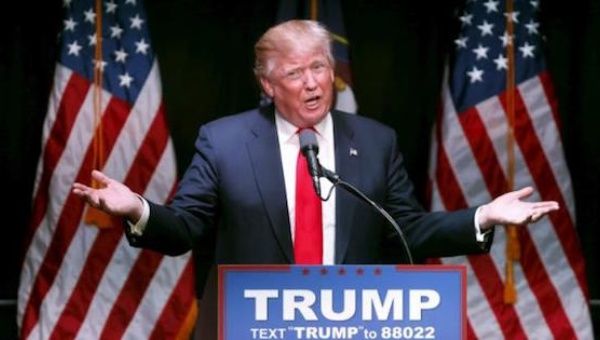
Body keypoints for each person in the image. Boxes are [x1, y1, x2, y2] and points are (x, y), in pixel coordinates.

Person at [73, 19, 559, 338]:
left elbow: (406, 229)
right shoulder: (223, 141)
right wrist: (138, 208)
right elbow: (185, 228)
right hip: (249, 330)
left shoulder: (375, 141)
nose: (311, 82)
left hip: (348, 327)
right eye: (295, 72)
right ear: (267, 84)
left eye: (320, 67)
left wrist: (484, 215)